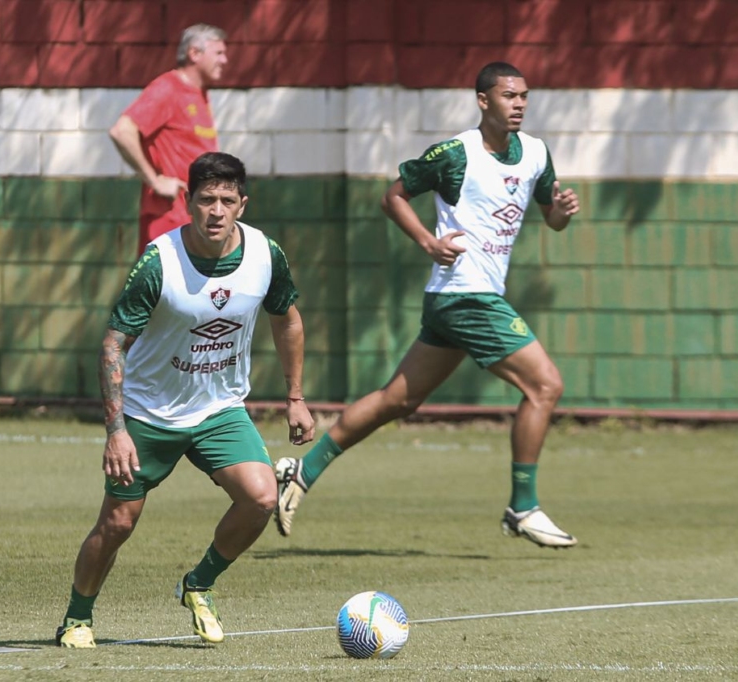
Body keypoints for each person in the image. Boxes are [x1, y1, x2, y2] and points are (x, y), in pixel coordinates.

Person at [273, 62, 581, 549]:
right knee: (546, 385)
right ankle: (523, 506)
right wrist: (427, 242)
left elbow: (551, 218)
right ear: (483, 101)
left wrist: (559, 215)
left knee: (398, 399)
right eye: (508, 96)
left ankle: (301, 471)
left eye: (524, 95)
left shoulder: (537, 155)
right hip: (465, 293)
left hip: (462, 299)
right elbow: (393, 195)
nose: (519, 103)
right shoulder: (455, 153)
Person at [56, 152, 315, 648]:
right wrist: (117, 431)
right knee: (117, 523)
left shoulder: (265, 254)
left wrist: (295, 396)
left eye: (226, 200)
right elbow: (113, 343)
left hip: (219, 410)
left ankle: (198, 584)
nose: (216, 211)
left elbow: (288, 319)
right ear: (188, 202)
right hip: (151, 413)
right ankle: (77, 617)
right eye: (205, 200)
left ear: (242, 203)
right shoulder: (160, 262)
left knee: (262, 496)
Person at [109, 24, 227, 257]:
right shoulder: (167, 89)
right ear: (195, 54)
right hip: (170, 219)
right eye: (219, 53)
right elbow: (122, 131)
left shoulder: (200, 94)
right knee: (164, 292)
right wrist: (155, 181)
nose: (225, 60)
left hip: (198, 219)